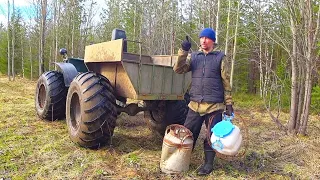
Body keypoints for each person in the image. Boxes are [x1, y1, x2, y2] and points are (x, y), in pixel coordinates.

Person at [173, 28, 234, 176]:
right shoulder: (194, 56)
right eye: (201, 38)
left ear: (212, 41)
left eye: (207, 38)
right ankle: (182, 160)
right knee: (187, 134)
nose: (203, 41)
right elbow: (178, 69)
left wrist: (229, 103)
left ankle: (208, 164)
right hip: (195, 104)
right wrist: (183, 51)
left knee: (211, 136)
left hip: (214, 106)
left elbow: (226, 82)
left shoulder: (220, 57)